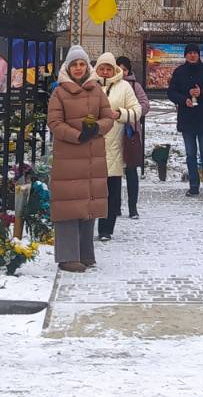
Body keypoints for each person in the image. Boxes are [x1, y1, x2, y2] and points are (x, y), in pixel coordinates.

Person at [48, 46, 116, 272]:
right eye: (74, 64)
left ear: (87, 67)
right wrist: (77, 135)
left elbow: (108, 117)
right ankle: (67, 257)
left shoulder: (97, 90)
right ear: (67, 67)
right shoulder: (59, 93)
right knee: (68, 207)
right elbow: (55, 123)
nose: (78, 68)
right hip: (68, 157)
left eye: (82, 64)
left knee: (89, 206)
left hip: (91, 157)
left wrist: (96, 128)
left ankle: (85, 254)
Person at [95, 52, 142, 241]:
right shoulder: (90, 85)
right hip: (92, 143)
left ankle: (106, 229)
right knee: (92, 190)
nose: (105, 72)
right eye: (102, 68)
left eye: (109, 69)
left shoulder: (124, 87)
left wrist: (121, 114)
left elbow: (137, 110)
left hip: (114, 145)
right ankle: (86, 225)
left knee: (111, 189)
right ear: (97, 69)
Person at [168, 43, 203, 198]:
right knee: (190, 154)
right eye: (189, 53)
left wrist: (201, 93)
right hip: (187, 119)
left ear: (198, 55)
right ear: (185, 55)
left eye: (195, 53)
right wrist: (184, 99)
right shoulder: (179, 72)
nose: (192, 55)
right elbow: (171, 93)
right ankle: (194, 186)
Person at [116, 56, 150, 219]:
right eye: (119, 69)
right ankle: (115, 206)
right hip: (112, 132)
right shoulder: (109, 85)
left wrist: (131, 112)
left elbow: (145, 105)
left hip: (130, 132)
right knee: (113, 173)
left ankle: (132, 207)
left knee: (131, 170)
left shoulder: (134, 86)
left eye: (125, 69)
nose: (122, 72)